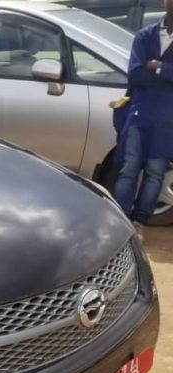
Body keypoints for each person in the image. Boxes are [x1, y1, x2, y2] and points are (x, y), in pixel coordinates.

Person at [113, 0, 173, 240]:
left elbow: (147, 72)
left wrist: (158, 67)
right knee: (129, 168)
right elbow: (136, 74)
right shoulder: (145, 35)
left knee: (155, 172)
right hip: (140, 113)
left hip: (168, 120)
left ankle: (140, 221)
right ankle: (120, 219)